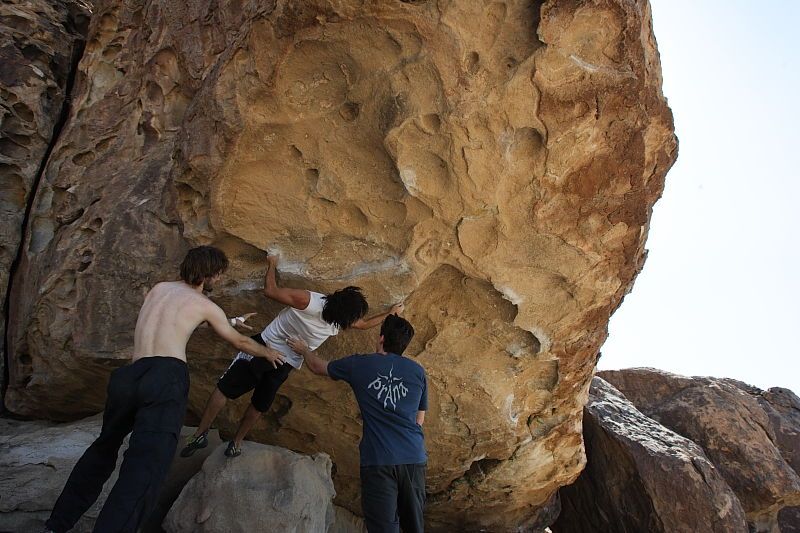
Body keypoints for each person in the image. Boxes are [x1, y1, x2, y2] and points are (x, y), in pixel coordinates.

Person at [42, 246, 285, 533]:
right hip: (165, 378)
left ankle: (55, 527)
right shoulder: (206, 306)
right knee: (145, 467)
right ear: (210, 273)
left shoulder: (159, 290)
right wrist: (266, 352)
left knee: (101, 451)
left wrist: (229, 321)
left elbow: (174, 321)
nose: (219, 280)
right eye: (219, 275)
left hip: (129, 376)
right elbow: (240, 343)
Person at [181, 253, 404, 458]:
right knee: (259, 404)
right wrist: (391, 313)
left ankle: (201, 433)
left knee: (225, 388)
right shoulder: (337, 321)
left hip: (263, 348)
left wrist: (272, 264)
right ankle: (236, 443)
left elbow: (271, 291)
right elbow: (364, 325)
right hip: (286, 364)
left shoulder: (310, 301)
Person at [289, 313, 427, 533]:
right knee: (414, 526)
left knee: (382, 527)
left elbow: (317, 367)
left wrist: (304, 349)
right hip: (413, 457)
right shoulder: (418, 372)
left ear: (381, 339)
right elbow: (419, 419)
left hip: (379, 460)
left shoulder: (360, 365)